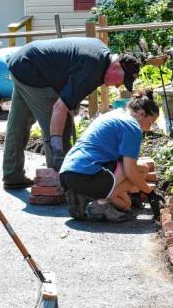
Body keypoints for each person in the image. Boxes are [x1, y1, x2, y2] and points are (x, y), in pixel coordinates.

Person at [2, 37, 141, 189]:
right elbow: (59, 108)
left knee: (19, 123)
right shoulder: (93, 68)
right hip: (34, 71)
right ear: (115, 67)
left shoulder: (100, 55)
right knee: (60, 129)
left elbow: (70, 79)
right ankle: (61, 183)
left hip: (23, 61)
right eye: (121, 80)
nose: (117, 86)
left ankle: (12, 174)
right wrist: (57, 149)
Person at [59, 90, 160, 221]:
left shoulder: (115, 114)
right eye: (151, 123)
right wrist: (150, 193)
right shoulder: (132, 127)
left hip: (67, 174)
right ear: (141, 114)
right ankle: (99, 204)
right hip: (86, 174)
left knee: (125, 204)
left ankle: (84, 196)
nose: (149, 129)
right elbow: (130, 171)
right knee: (142, 169)